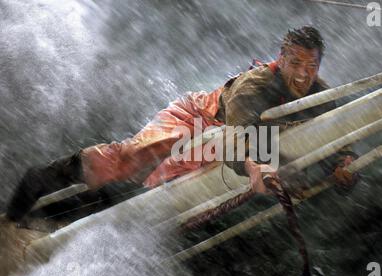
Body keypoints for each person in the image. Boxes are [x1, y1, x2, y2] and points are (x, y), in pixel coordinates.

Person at [5, 26, 359, 222]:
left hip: (234, 138)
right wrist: (255, 163)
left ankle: (53, 220)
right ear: (280, 59)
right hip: (196, 119)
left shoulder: (319, 91)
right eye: (294, 63)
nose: (302, 75)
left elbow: (339, 126)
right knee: (127, 161)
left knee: (156, 197)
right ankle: (38, 181)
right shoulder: (255, 86)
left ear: (318, 66)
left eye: (310, 67)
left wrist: (345, 163)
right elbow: (238, 135)